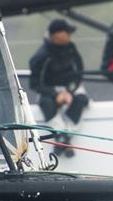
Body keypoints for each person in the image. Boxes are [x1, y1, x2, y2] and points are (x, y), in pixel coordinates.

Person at [29, 19, 89, 156]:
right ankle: (62, 136)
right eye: (66, 32)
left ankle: (64, 137)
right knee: (47, 103)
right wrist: (55, 94)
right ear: (56, 35)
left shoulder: (72, 49)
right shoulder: (41, 56)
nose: (69, 35)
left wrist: (69, 91)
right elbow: (35, 84)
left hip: (70, 88)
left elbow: (78, 74)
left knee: (81, 100)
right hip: (50, 90)